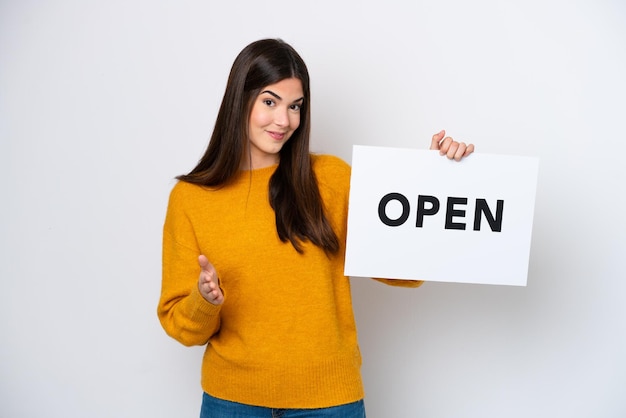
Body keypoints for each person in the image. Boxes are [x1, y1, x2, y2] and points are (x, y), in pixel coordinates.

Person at [157, 38, 474, 418]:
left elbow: (401, 273)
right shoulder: (192, 198)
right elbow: (181, 326)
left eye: (295, 107)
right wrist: (204, 301)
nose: (284, 120)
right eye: (270, 102)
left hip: (328, 404)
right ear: (239, 100)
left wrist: (437, 182)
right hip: (231, 403)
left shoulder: (331, 180)